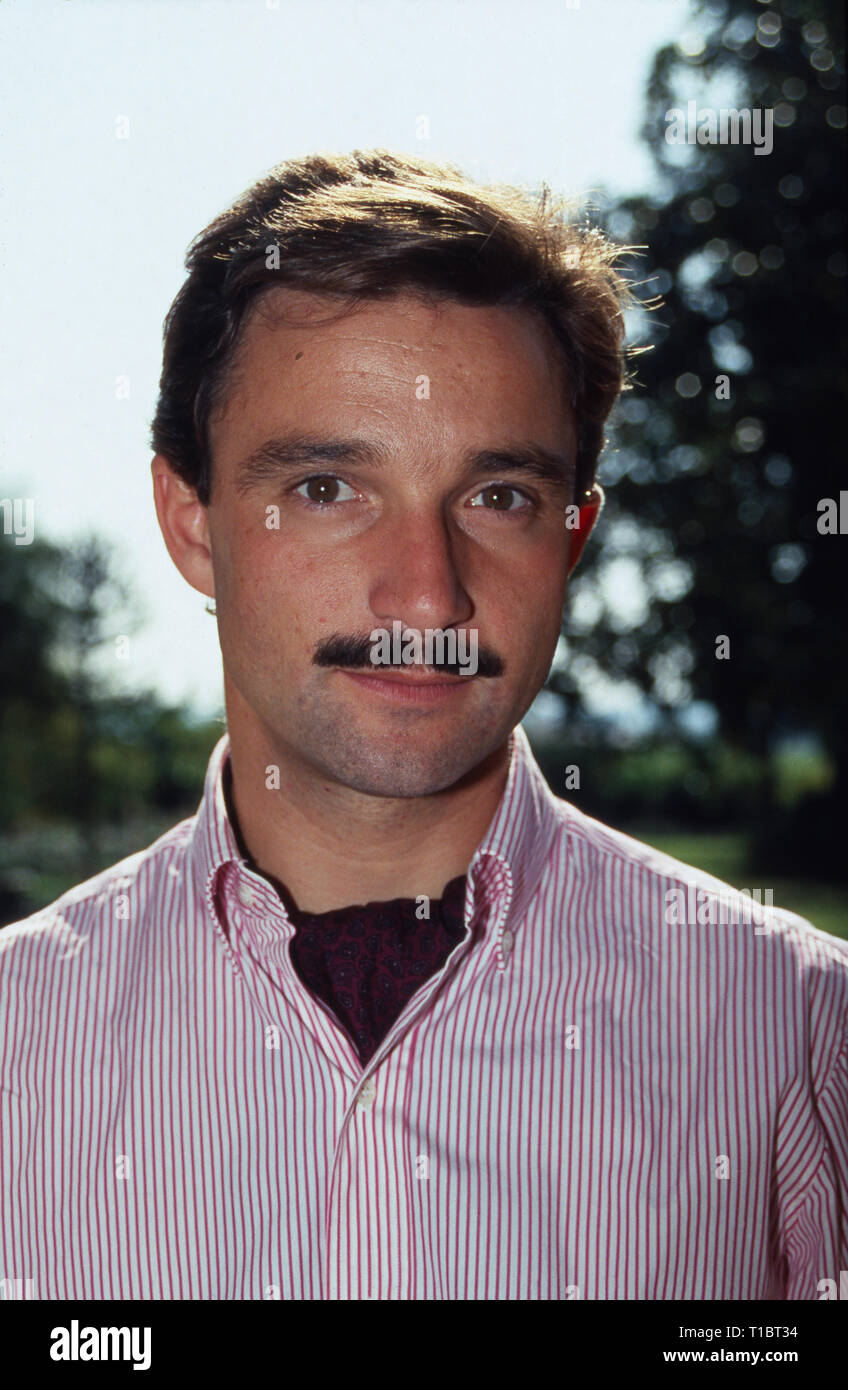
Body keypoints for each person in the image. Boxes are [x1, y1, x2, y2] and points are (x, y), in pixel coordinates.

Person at [1, 151, 845, 1300]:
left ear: (571, 539)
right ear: (192, 521)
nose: (426, 597)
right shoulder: (14, 1042)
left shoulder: (798, 1028)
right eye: (327, 489)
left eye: (497, 496)